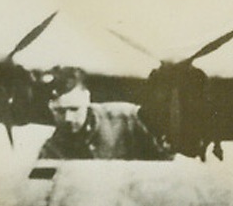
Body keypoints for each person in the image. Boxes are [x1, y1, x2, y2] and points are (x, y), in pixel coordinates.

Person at [37, 67, 171, 160]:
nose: (68, 118)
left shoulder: (126, 118)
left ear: (87, 98)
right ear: (50, 108)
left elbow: (166, 161)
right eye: (59, 111)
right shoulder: (51, 150)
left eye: (74, 109)